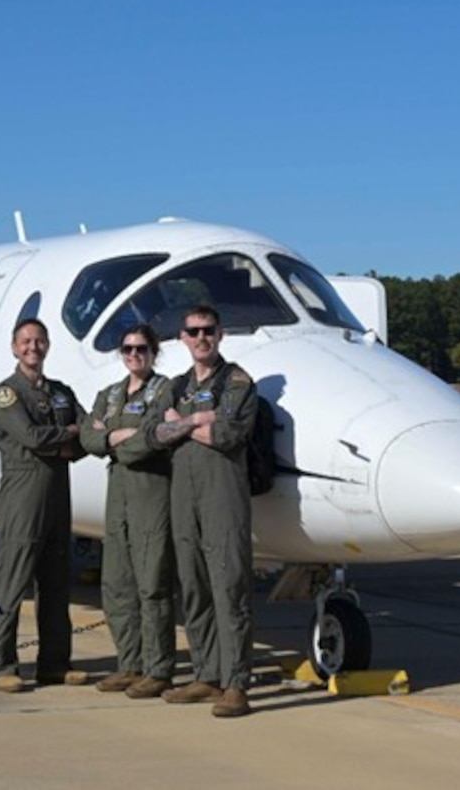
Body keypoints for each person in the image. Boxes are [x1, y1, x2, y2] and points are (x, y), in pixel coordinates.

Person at [147, 305, 258, 718]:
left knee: (229, 585)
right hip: (183, 494)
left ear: (220, 334)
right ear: (182, 338)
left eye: (207, 330)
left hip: (222, 494)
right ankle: (206, 673)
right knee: (192, 585)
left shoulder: (237, 382)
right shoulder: (175, 385)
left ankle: (236, 682)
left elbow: (229, 433)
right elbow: (158, 432)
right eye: (193, 332)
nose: (200, 338)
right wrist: (200, 420)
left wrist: (184, 423)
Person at [0, 317, 88, 692]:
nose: (33, 347)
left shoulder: (61, 392)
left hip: (58, 498)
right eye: (26, 341)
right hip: (22, 498)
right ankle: (0, 665)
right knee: (11, 583)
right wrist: (66, 438)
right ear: (14, 348)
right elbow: (30, 436)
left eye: (39, 341)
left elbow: (87, 435)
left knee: (56, 585)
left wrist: (64, 441)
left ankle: (55, 663)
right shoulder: (6, 395)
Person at [80, 324, 177, 700]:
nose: (134, 355)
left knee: (152, 583)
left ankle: (158, 669)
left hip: (151, 491)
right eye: (127, 349)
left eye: (141, 349)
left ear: (154, 352)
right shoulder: (111, 393)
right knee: (117, 583)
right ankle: (129, 663)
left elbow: (152, 437)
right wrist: (116, 437)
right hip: (118, 493)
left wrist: (114, 439)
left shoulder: (165, 388)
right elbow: (89, 437)